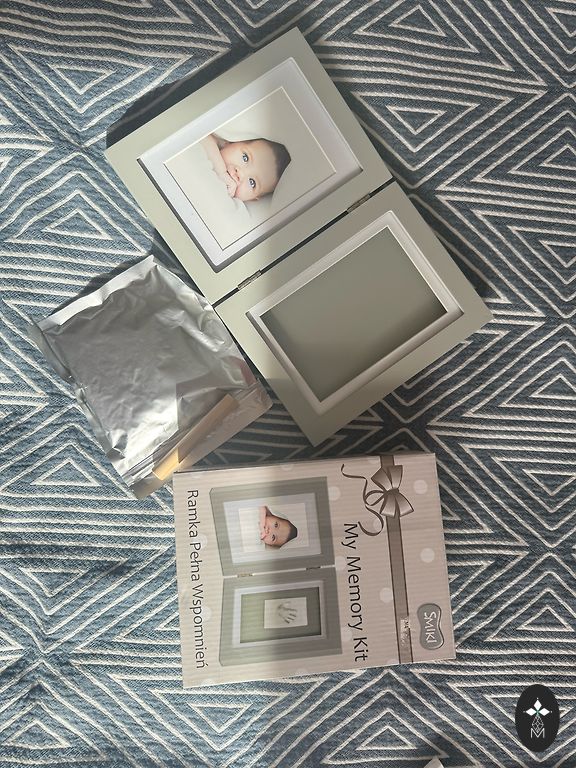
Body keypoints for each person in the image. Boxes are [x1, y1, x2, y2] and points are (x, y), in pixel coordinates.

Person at [200, 133, 291, 201]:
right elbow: (204, 137)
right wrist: (221, 172)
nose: (241, 174)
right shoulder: (214, 140)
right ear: (233, 142)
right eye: (245, 158)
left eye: (252, 182)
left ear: (252, 199)